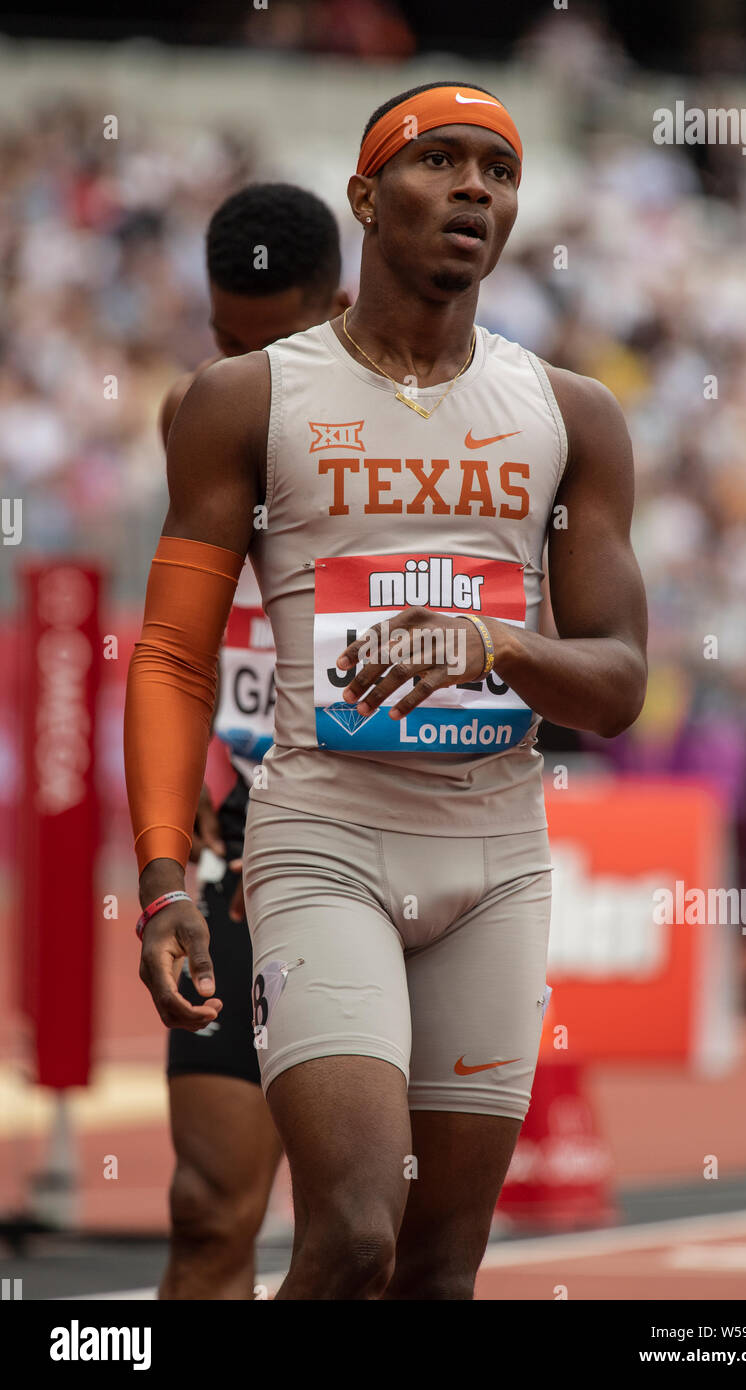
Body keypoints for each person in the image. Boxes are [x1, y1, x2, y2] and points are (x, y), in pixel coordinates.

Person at [125, 81, 648, 1300]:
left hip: (495, 855)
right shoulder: (246, 398)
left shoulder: (572, 414)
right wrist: (162, 875)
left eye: (498, 171)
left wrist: (493, 644)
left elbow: (618, 683)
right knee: (353, 1230)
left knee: (437, 1269)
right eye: (439, 161)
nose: (472, 188)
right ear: (365, 196)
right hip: (321, 837)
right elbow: (172, 655)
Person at [155, 183, 348, 1299]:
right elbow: (176, 643)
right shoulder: (196, 412)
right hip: (242, 845)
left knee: (359, 1238)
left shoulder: (427, 432)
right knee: (205, 1207)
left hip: (378, 835)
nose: (245, 374)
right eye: (228, 343)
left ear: (341, 308)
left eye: (273, 347)